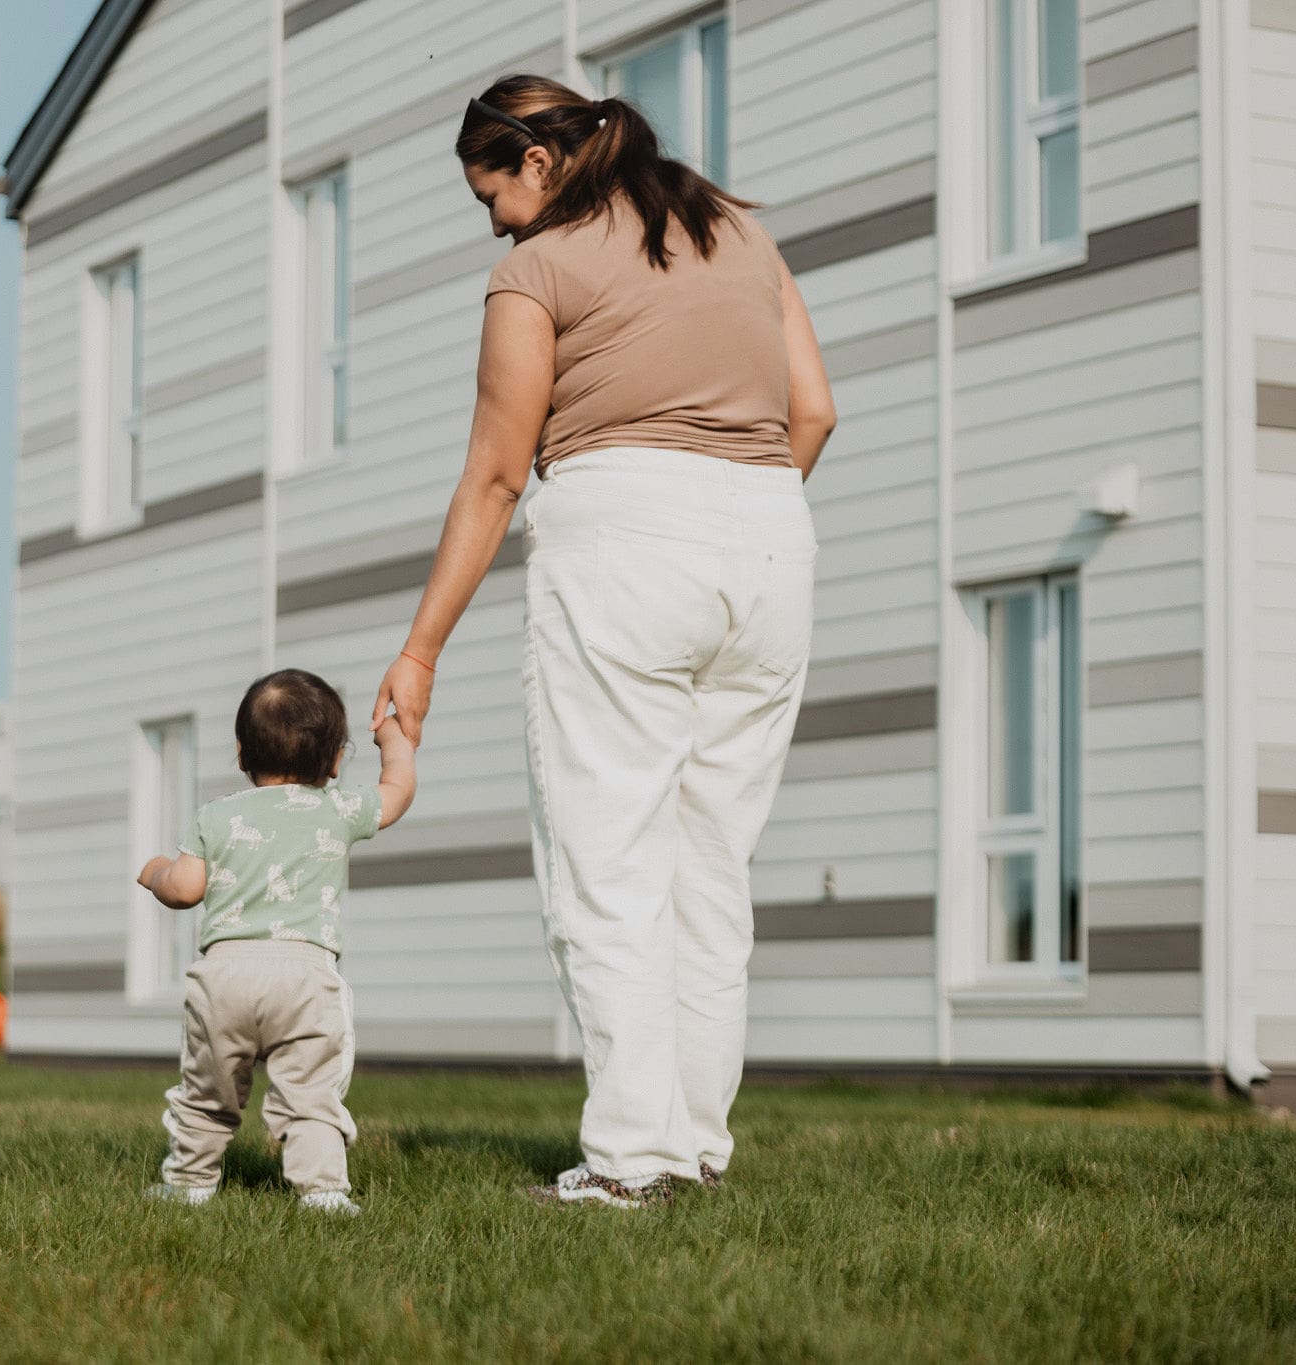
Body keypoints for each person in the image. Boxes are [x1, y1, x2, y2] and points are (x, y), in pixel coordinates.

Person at [368, 76, 837, 1211]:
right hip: (770, 538)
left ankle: (632, 1162)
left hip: (625, 535)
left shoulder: (536, 267)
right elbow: (813, 411)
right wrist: (730, 523)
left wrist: (418, 652)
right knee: (710, 866)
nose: (492, 223)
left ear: (534, 163)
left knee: (607, 861)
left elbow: (493, 472)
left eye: (491, 194)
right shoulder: (737, 233)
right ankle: (694, 1148)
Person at [137, 669, 417, 1215]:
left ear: (241, 754)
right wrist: (393, 740)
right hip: (305, 978)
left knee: (207, 1089)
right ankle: (323, 1192)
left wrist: (154, 873)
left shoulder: (216, 816)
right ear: (336, 760)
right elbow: (398, 792)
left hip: (224, 978)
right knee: (310, 1091)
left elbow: (186, 889)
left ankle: (191, 1182)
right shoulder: (339, 809)